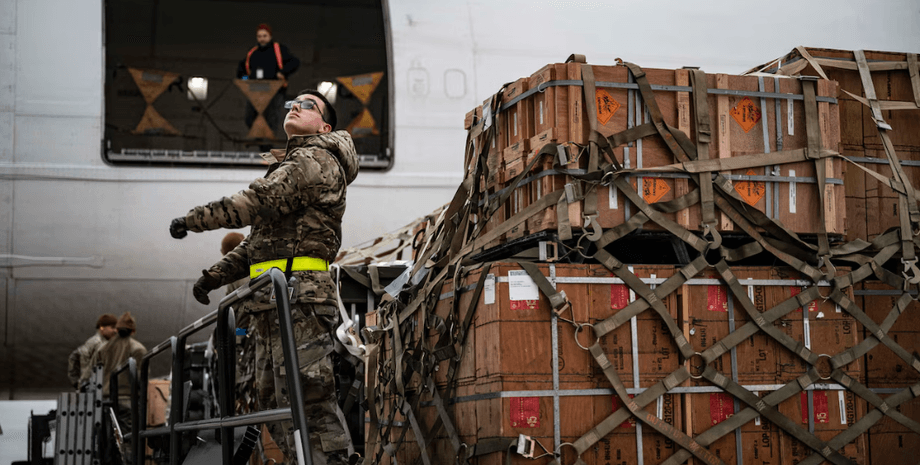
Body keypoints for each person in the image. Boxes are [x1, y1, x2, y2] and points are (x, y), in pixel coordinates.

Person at [169, 89, 357, 465]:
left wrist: (195, 219)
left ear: (325, 124)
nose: (295, 108)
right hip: (274, 301)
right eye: (292, 104)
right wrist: (213, 277)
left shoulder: (315, 159)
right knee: (274, 398)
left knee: (310, 398)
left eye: (308, 105)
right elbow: (258, 243)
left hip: (299, 299)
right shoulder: (294, 163)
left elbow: (258, 201)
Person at [237, 23, 300, 132]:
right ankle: (258, 136)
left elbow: (294, 62)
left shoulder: (278, 49)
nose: (262, 39)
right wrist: (245, 79)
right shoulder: (253, 52)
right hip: (256, 89)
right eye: (259, 36)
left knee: (271, 118)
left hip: (274, 89)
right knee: (249, 117)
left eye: (264, 36)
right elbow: (242, 68)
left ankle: (267, 143)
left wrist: (283, 73)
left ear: (270, 36)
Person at [67, 314, 118, 390]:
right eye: (112, 328)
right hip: (95, 387)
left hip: (91, 385)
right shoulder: (99, 343)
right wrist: (78, 382)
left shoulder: (94, 341)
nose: (115, 331)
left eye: (116, 328)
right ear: (102, 328)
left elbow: (74, 356)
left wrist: (76, 382)